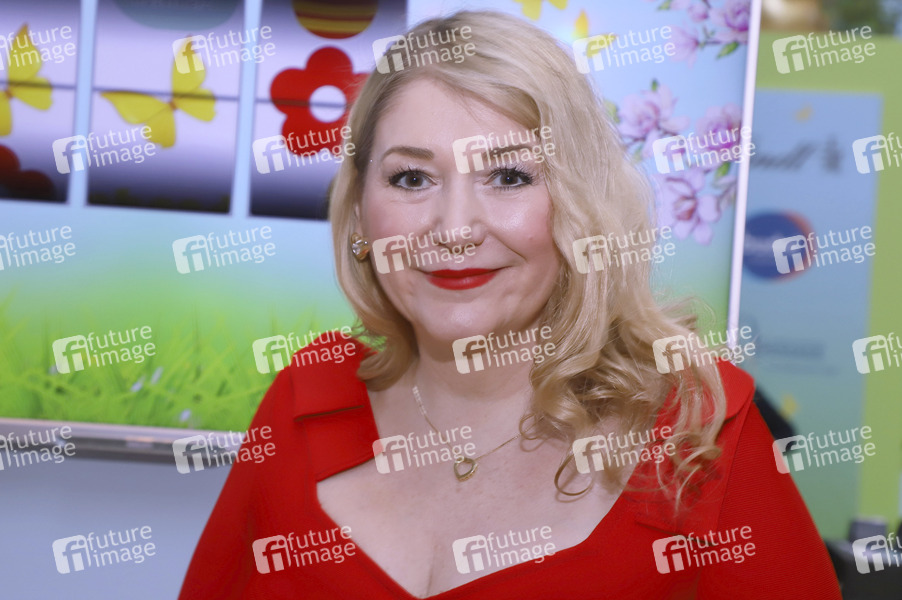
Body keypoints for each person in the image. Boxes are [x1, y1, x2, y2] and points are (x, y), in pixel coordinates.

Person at [179, 11, 841, 599]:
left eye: (508, 176)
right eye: (411, 177)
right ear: (359, 212)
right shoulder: (303, 403)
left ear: (580, 206)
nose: (454, 228)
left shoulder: (699, 433)